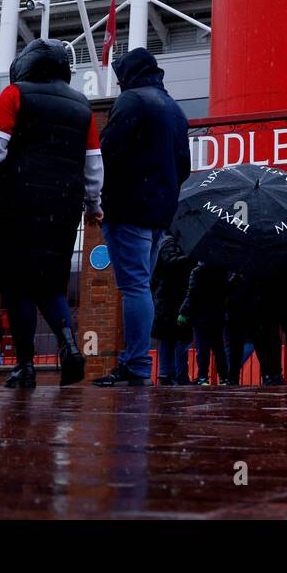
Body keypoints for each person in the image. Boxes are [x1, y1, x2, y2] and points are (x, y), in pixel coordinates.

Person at [0, 38, 100, 389]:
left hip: (18, 200)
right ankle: (69, 347)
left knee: (17, 284)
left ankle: (24, 367)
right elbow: (93, 164)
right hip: (63, 207)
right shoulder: (82, 106)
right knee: (50, 280)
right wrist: (93, 204)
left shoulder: (15, 94)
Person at [95, 48, 191, 387]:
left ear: (129, 75)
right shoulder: (174, 110)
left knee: (134, 286)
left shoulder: (132, 101)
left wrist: (97, 194)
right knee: (142, 286)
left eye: (121, 76)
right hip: (159, 213)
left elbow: (107, 152)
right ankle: (134, 362)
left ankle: (135, 365)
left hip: (128, 207)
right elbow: (184, 167)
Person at [151, 234, 195, 385]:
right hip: (168, 301)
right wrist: (191, 257)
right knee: (169, 339)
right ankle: (166, 374)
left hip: (178, 299)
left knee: (178, 339)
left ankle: (177, 375)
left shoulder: (181, 243)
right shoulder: (168, 242)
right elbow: (170, 263)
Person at [182, 261, 234, 385]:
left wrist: (183, 311)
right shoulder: (222, 271)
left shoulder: (197, 272)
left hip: (201, 316)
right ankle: (224, 377)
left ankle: (203, 377)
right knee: (219, 348)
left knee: (202, 348)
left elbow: (191, 294)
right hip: (218, 315)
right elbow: (227, 290)